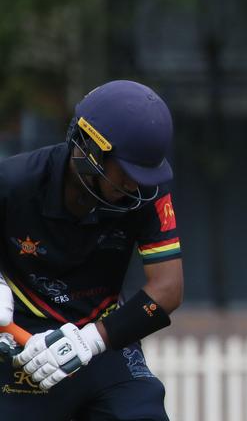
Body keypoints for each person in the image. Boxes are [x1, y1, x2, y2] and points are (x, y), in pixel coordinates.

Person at [0, 80, 183, 420]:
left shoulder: (148, 191)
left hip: (102, 339)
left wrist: (90, 342)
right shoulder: (14, 182)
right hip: (24, 349)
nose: (135, 185)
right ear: (88, 149)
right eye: (127, 171)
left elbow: (167, 289)